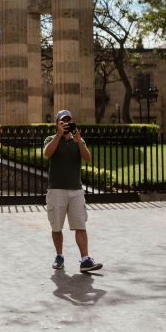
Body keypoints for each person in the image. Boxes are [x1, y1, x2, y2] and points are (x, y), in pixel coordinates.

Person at [43, 109, 103, 273]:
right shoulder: (50, 139)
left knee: (80, 225)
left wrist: (78, 141)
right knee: (57, 226)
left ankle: (85, 260)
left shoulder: (78, 140)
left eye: (68, 121)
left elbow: (88, 158)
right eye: (63, 121)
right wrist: (58, 135)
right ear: (57, 123)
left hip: (76, 190)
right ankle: (59, 256)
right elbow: (47, 153)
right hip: (56, 190)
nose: (66, 123)